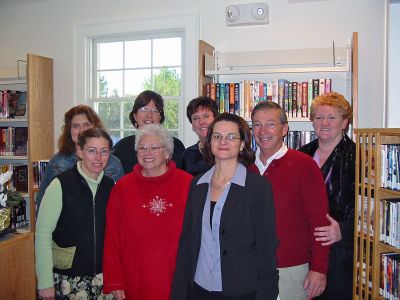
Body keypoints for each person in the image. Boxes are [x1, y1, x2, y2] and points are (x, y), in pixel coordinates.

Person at [171, 112, 278, 300]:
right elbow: (187, 244)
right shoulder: (197, 185)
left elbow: (266, 249)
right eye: (217, 136)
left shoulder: (257, 188)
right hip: (198, 289)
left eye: (231, 137)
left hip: (241, 291)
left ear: (242, 144)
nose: (223, 142)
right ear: (209, 142)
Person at [247, 101, 330, 300]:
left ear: (284, 129)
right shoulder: (245, 167)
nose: (263, 130)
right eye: (257, 124)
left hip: (290, 270)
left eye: (270, 124)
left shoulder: (304, 166)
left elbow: (320, 223)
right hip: (249, 268)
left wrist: (319, 269)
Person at [103, 123, 193, 300]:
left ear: (167, 152)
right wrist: (115, 281)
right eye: (142, 148)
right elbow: (112, 237)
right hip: (134, 279)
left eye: (154, 147)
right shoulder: (122, 187)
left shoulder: (188, 184)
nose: (147, 153)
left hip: (179, 279)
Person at [35, 128, 115, 299]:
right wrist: (45, 282)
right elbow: (42, 234)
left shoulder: (112, 187)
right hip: (68, 280)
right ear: (80, 151)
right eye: (92, 151)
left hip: (104, 279)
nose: (98, 158)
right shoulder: (60, 185)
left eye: (104, 151)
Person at [299, 92, 355, 300]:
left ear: (344, 122)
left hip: (339, 254)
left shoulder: (361, 158)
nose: (324, 123)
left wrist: (344, 230)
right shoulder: (301, 155)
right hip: (303, 249)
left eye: (332, 117)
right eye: (319, 117)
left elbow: (373, 209)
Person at [35, 104, 123, 208]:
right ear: (69, 131)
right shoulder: (58, 162)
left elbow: (120, 202)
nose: (82, 130)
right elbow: (43, 199)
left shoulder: (113, 164)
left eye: (86, 124)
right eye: (76, 126)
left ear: (95, 127)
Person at [113, 90, 186, 174]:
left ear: (160, 117)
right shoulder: (122, 147)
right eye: (144, 109)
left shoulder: (175, 146)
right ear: (135, 116)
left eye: (155, 111)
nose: (149, 115)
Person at [182, 96, 218, 175]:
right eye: (195, 118)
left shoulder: (226, 149)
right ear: (192, 125)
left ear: (216, 119)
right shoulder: (187, 154)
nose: (201, 122)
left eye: (206, 116)